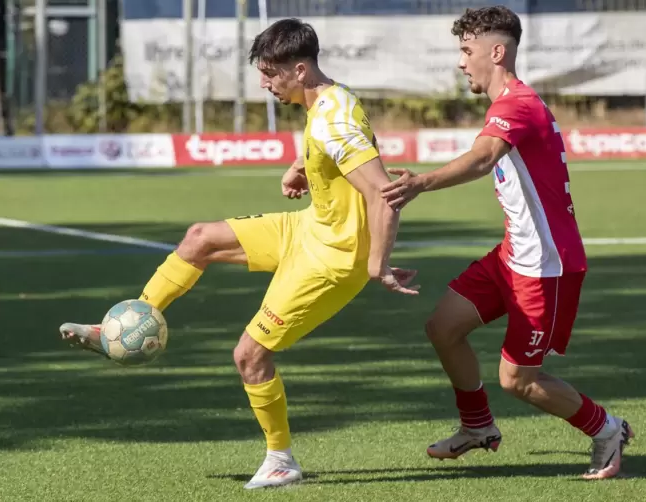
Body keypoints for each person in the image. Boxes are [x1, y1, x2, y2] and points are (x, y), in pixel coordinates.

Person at [59, 18, 419, 490]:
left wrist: (377, 264)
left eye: (271, 73)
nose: (264, 83)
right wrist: (299, 168)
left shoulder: (334, 117)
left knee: (250, 356)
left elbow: (384, 192)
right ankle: (122, 325)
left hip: (332, 259)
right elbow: (332, 145)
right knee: (200, 238)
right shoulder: (330, 97)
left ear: (301, 68)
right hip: (310, 228)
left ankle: (281, 459)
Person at [380, 6, 633, 480]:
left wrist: (422, 183)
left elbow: (481, 159)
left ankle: (607, 429)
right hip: (512, 256)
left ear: (496, 52)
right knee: (443, 327)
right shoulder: (508, 105)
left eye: (466, 50)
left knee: (518, 381)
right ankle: (477, 427)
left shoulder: (517, 105)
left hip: (545, 266)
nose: (461, 62)